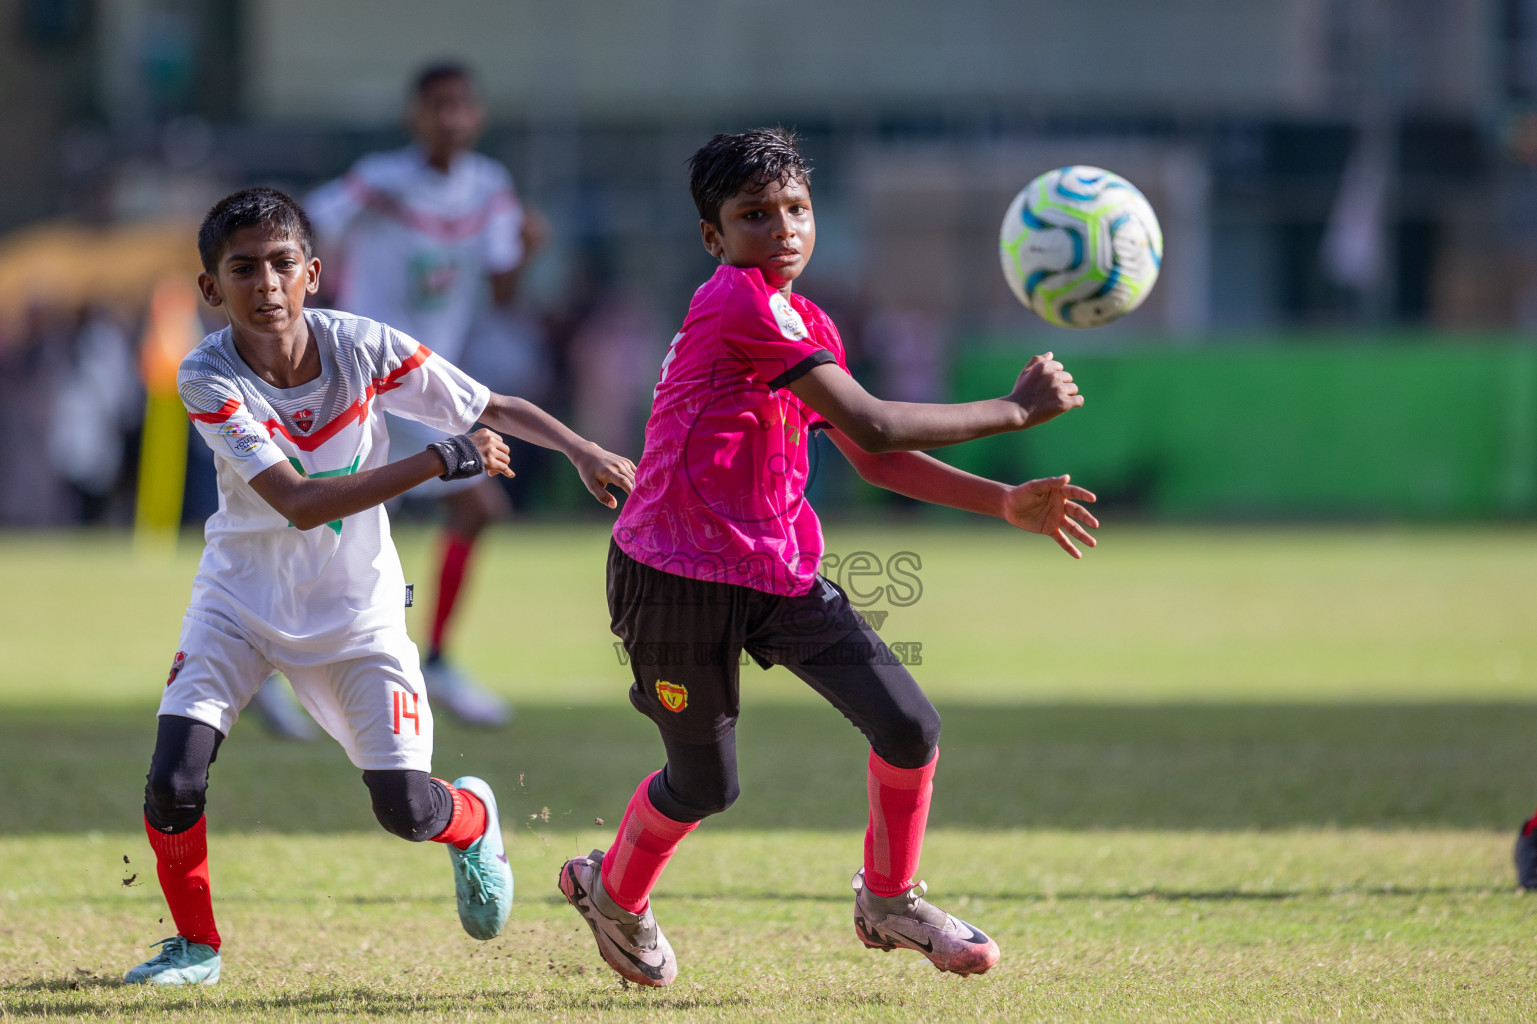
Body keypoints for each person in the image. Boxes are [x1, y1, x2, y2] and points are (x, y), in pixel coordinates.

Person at [558, 128, 1099, 987]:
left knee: (908, 725)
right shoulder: (739, 302)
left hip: (775, 570)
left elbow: (871, 455)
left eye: (796, 209)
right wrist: (1010, 411)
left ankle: (888, 900)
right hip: (674, 577)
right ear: (714, 238)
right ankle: (609, 892)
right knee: (703, 787)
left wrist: (997, 501)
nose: (782, 229)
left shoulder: (802, 318)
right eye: (753, 215)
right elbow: (878, 422)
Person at [125, 187, 634, 986]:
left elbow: (486, 405)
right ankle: (196, 947)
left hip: (356, 610)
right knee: (173, 778)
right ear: (209, 289)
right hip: (236, 603)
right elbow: (295, 502)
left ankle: (471, 822)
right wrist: (436, 460)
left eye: (282, 264)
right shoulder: (206, 374)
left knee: (404, 810)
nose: (265, 284)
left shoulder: (362, 346)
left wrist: (581, 449)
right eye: (243, 268)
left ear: (313, 274)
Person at [297, 61, 542, 728]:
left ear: (478, 115)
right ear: (414, 115)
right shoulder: (379, 179)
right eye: (437, 106)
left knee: (349, 523)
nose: (450, 118)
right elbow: (303, 232)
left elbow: (501, 290)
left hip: (430, 381)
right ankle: (405, 661)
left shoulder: (490, 187)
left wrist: (524, 251)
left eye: (461, 105)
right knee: (465, 507)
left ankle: (336, 661)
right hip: (370, 377)